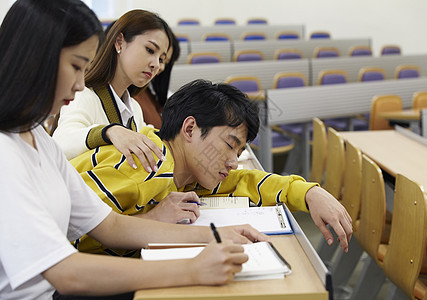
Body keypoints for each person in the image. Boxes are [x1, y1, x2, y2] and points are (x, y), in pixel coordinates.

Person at [0, 1, 268, 299]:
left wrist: (215, 236)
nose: (79, 84)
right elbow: (66, 272)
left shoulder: (37, 137)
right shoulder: (5, 151)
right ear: (34, 59)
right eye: (76, 66)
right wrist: (191, 269)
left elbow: (109, 224)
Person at [71, 79, 353, 257]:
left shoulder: (188, 174)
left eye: (240, 152)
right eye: (230, 145)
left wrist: (308, 192)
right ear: (190, 128)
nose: (233, 161)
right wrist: (153, 220)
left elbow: (245, 181)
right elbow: (75, 240)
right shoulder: (147, 165)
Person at [52, 9, 172, 174]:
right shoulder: (84, 95)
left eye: (161, 59)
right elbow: (61, 143)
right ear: (119, 42)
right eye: (150, 50)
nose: (156, 65)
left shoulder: (134, 109)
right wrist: (110, 131)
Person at [133, 23, 180, 128]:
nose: (159, 66)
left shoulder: (146, 91)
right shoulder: (134, 96)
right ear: (119, 42)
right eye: (150, 50)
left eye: (163, 60)